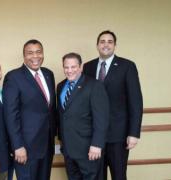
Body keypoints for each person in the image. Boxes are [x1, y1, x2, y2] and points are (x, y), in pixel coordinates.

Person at [83, 30, 143, 180]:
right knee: (97, 176)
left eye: (110, 42)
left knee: (119, 176)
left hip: (118, 136)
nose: (106, 45)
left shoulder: (127, 66)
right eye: (102, 41)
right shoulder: (88, 67)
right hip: (94, 136)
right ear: (97, 45)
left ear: (115, 45)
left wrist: (134, 133)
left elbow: (136, 101)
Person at [3, 39, 57, 180]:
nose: (35, 56)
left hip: (47, 146)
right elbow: (10, 114)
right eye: (30, 53)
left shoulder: (48, 74)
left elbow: (50, 109)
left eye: (38, 52)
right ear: (24, 56)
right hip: (26, 148)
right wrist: (18, 146)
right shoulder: (14, 77)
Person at [57, 52, 109, 180]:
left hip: (89, 149)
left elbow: (101, 118)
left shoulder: (94, 86)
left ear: (80, 67)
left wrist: (97, 144)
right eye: (66, 67)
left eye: (73, 67)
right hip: (68, 150)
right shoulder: (60, 86)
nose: (69, 71)